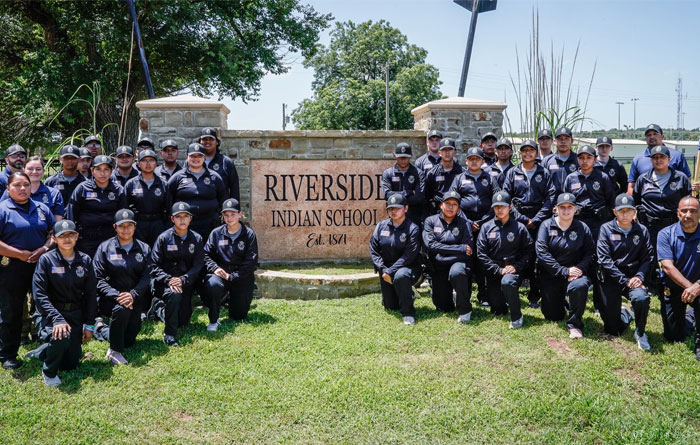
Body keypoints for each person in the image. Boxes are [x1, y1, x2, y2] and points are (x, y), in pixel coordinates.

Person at [27, 220, 96, 386]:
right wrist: (57, 319)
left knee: (70, 364)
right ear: (54, 239)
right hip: (49, 314)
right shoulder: (46, 260)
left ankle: (43, 351)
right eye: (62, 236)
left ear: (77, 236)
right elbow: (40, 295)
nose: (67, 239)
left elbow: (91, 294)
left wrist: (90, 324)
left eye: (70, 235)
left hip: (74, 313)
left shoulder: (85, 260)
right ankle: (49, 371)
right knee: (61, 336)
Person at [0, 172, 55, 370]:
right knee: (12, 311)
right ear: (8, 188)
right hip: (12, 267)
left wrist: (44, 249)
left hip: (40, 265)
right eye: (17, 185)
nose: (22, 188)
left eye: (26, 184)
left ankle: (48, 347)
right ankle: (8, 353)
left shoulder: (41, 208)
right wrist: (19, 253)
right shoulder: (2, 209)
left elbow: (53, 234)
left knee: (43, 306)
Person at [501, 140, 556, 308]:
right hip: (518, 218)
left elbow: (550, 197)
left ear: (536, 152)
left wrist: (537, 219)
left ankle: (534, 295)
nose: (527, 154)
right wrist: (523, 219)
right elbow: (506, 198)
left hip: (539, 219)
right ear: (520, 153)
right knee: (517, 255)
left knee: (537, 258)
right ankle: (513, 292)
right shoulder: (512, 172)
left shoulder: (544, 173)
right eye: (524, 151)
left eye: (531, 150)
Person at [92, 210, 150, 365]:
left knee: (129, 340)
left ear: (135, 226)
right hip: (111, 301)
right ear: (114, 227)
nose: (126, 229)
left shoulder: (143, 248)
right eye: (121, 226)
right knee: (121, 310)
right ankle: (114, 351)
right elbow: (97, 278)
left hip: (135, 300)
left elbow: (147, 277)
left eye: (129, 225)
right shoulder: (104, 248)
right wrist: (116, 295)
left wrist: (133, 294)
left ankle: (99, 329)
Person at [597, 194, 652, 350]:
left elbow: (648, 258)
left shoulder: (642, 230)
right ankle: (626, 314)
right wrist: (624, 280)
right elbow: (604, 259)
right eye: (621, 211)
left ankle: (640, 332)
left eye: (629, 211)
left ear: (635, 212)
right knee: (613, 330)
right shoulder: (606, 229)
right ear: (615, 212)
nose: (625, 214)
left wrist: (639, 277)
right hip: (612, 278)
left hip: (634, 277)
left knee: (641, 298)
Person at [633, 145, 691, 293]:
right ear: (651, 160)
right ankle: (652, 284)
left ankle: (675, 282)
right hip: (649, 222)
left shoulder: (680, 178)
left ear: (669, 159)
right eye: (655, 157)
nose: (659, 160)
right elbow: (636, 199)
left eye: (662, 157)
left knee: (675, 254)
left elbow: (687, 200)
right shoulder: (643, 179)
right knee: (649, 254)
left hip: (673, 222)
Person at [536, 193, 594, 339]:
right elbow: (542, 252)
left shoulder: (583, 228)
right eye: (562, 207)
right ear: (556, 209)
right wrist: (563, 271)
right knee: (552, 316)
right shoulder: (546, 225)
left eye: (570, 207)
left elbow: (590, 253)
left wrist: (579, 269)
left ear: (576, 209)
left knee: (579, 286)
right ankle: (563, 303)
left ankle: (575, 324)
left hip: (576, 273)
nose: (566, 210)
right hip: (552, 274)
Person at [148, 202, 205, 346]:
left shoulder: (196, 239)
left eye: (185, 216)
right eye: (178, 217)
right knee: (174, 295)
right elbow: (153, 265)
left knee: (183, 321)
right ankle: (169, 334)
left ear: (190, 218)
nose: (182, 220)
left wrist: (183, 279)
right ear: (172, 219)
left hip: (185, 283)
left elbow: (198, 265)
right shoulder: (163, 238)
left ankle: (159, 308)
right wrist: (169, 280)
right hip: (166, 284)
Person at [476, 191, 534, 328]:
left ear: (510, 207)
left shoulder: (519, 227)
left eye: (503, 206)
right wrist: (498, 270)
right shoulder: (486, 227)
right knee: (498, 310)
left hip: (513, 269)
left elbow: (529, 251)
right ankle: (505, 300)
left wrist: (516, 267)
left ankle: (517, 316)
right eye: (496, 207)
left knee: (508, 282)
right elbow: (481, 253)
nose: (499, 210)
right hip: (494, 271)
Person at [201, 198, 259, 331]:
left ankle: (230, 298)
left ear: (240, 214)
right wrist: (215, 268)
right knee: (213, 284)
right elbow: (205, 255)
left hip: (241, 276)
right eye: (226, 215)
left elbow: (251, 261)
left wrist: (233, 277)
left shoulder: (248, 234)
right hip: (221, 273)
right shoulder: (216, 233)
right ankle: (214, 320)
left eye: (233, 214)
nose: (229, 218)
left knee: (238, 316)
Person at [449, 146, 496, 307]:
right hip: (464, 224)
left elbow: (496, 201)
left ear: (483, 161)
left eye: (477, 159)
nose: (474, 161)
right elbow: (452, 201)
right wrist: (468, 222)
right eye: (471, 159)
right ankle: (465, 293)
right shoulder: (459, 178)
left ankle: (484, 295)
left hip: (486, 224)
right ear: (466, 161)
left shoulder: (489, 178)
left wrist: (482, 222)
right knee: (466, 258)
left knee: (483, 260)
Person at [657, 197, 700, 360]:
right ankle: (690, 316)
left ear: (699, 213)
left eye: (693, 211)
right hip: (674, 288)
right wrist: (690, 288)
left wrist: (697, 287)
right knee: (673, 335)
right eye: (684, 211)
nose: (688, 215)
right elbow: (667, 267)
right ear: (678, 213)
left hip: (699, 286)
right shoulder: (666, 234)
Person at [369, 194, 421, 325]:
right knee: (391, 306)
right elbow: (374, 250)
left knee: (401, 276)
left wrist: (390, 271)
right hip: (386, 269)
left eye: (397, 208)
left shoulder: (413, 228)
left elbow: (409, 255)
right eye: (390, 208)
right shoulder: (381, 226)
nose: (393, 211)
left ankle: (408, 314)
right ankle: (407, 294)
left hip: (407, 267)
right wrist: (382, 268)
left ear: (406, 209)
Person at [423, 191, 474, 323]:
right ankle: (451, 297)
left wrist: (444, 255)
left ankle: (465, 310)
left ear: (459, 208)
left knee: (457, 272)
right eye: (447, 204)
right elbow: (431, 245)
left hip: (456, 263)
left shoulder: (464, 223)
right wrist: (459, 248)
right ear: (441, 205)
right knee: (443, 307)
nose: (450, 207)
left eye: (454, 204)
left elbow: (468, 250)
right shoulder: (430, 221)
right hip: (438, 266)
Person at [66, 155, 127, 257]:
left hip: (110, 237)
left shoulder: (118, 190)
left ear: (112, 171)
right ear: (92, 170)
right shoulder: (82, 188)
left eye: (106, 169)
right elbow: (71, 213)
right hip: (86, 238)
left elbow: (123, 215)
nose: (102, 173)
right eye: (98, 169)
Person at [167, 143, 228, 240]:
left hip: (210, 226)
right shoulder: (177, 177)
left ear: (204, 157)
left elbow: (223, 200)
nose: (196, 159)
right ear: (187, 157)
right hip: (185, 226)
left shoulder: (214, 177)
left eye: (199, 155)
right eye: (192, 156)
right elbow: (168, 201)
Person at [562, 145, 615, 240]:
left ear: (594, 159)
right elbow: (565, 201)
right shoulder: (571, 178)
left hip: (598, 222)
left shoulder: (603, 177)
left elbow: (610, 201)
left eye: (588, 158)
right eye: (581, 158)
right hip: (577, 221)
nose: (585, 161)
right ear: (577, 159)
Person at [627, 124, 692, 195]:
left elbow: (686, 182)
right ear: (645, 139)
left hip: (672, 202)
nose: (652, 137)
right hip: (648, 203)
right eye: (648, 135)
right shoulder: (638, 159)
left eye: (655, 134)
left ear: (662, 136)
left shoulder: (677, 156)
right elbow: (632, 186)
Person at [124, 149, 168, 246]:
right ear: (138, 164)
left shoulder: (163, 184)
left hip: (158, 223)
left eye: (151, 160)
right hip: (138, 224)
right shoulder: (131, 184)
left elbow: (169, 208)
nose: (148, 164)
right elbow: (125, 207)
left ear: (156, 164)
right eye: (144, 160)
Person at [381, 143, 424, 226]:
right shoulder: (388, 173)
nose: (403, 160)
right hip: (394, 218)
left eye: (406, 157)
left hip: (414, 216)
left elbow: (419, 197)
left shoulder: (418, 173)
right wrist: (407, 193)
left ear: (411, 156)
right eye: (400, 157)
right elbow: (387, 194)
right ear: (395, 155)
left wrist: (396, 198)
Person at [197, 127, 240, 201]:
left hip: (220, 208)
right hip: (199, 207)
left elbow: (234, 189)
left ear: (217, 142)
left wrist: (234, 210)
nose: (208, 142)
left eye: (211, 139)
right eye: (205, 139)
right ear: (200, 142)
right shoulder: (192, 161)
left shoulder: (226, 162)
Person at [424, 138, 463, 217]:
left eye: (450, 149)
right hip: (438, 212)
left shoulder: (462, 172)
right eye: (444, 150)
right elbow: (427, 196)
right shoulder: (432, 173)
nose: (447, 152)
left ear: (455, 152)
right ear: (439, 153)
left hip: (458, 212)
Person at [541, 127, 578, 193]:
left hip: (573, 201)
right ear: (555, 141)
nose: (563, 141)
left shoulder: (578, 159)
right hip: (552, 201)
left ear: (572, 141)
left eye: (566, 139)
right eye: (560, 139)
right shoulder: (547, 161)